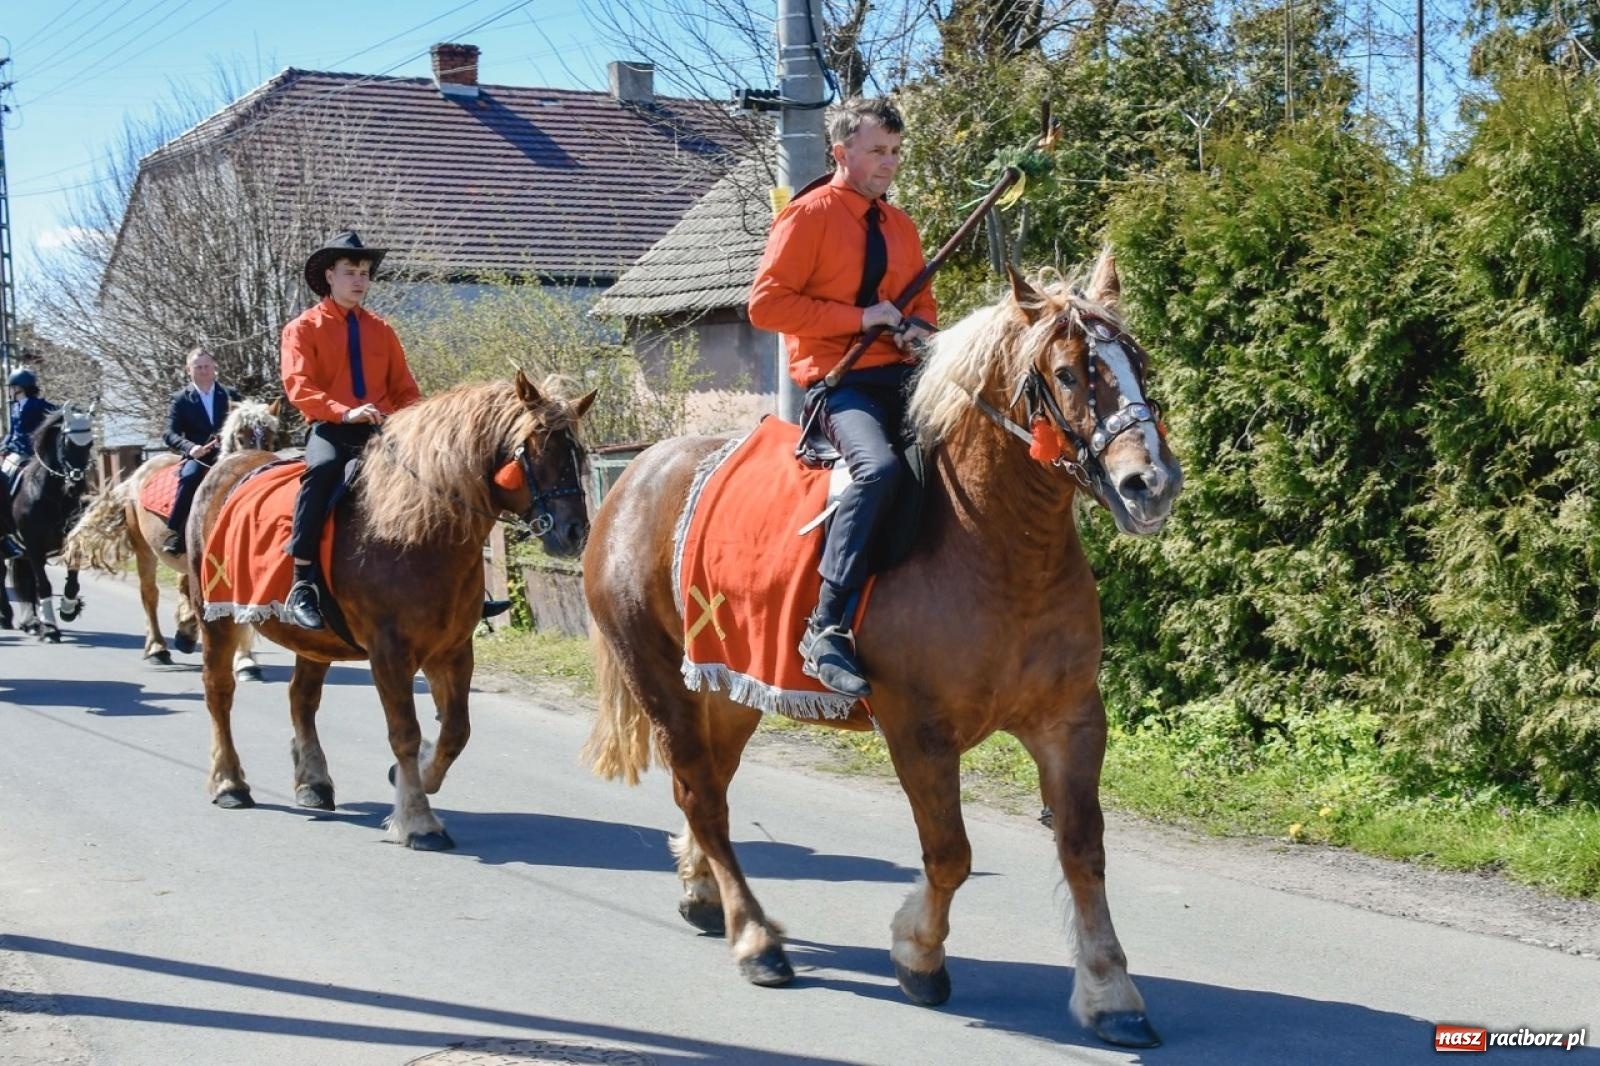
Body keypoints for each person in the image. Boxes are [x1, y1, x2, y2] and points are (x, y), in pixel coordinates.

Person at [747, 97, 937, 699]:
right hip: (839, 384)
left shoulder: (902, 225)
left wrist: (916, 335)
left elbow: (924, 310)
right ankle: (826, 625)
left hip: (907, 378)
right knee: (877, 469)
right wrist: (861, 319)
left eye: (896, 152)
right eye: (878, 151)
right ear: (841, 152)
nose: (890, 163)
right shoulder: (807, 216)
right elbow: (766, 305)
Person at [280, 231, 422, 629]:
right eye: (350, 272)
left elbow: (404, 389)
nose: (359, 280)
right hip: (332, 429)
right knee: (322, 472)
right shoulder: (303, 329)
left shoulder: (383, 329)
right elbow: (299, 387)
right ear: (329, 276)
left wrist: (421, 424)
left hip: (382, 432)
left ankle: (456, 584)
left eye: (364, 273)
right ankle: (302, 581)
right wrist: (344, 412)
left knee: (434, 480)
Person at [160, 347, 239, 555]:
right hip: (200, 456)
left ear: (215, 368)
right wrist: (191, 448)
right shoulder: (180, 399)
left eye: (207, 366)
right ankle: (176, 532)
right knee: (189, 477)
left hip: (231, 454)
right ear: (189, 370)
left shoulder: (231, 395)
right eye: (198, 366)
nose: (204, 370)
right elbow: (169, 433)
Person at [2, 368, 57, 559]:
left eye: (11, 387)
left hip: (31, 454)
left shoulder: (38, 405)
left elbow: (58, 411)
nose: (9, 390)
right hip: (14, 451)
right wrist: (4, 446)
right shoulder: (15, 406)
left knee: (5, 478)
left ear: (19, 387)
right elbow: (13, 432)